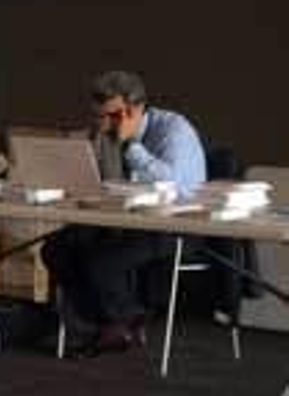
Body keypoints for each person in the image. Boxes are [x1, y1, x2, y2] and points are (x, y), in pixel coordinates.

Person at [41, 69, 206, 353]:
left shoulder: (174, 130)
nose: (105, 124)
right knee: (57, 248)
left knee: (101, 261)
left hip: (174, 224)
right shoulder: (104, 132)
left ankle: (116, 323)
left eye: (113, 116)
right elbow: (104, 183)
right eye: (100, 116)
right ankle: (120, 320)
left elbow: (173, 186)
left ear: (137, 109)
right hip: (124, 219)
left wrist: (131, 146)